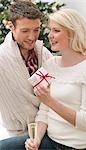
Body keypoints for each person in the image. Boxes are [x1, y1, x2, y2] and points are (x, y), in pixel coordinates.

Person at [25, 8, 86, 150]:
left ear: (72, 33)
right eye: (50, 30)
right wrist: (36, 140)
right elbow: (44, 111)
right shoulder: (50, 65)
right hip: (50, 141)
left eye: (56, 31)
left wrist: (50, 101)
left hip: (78, 146)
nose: (49, 35)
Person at [0, 0, 52, 149]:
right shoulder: (1, 58)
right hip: (17, 135)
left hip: (49, 129)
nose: (32, 37)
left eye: (36, 30)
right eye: (25, 31)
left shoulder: (44, 53)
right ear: (11, 27)